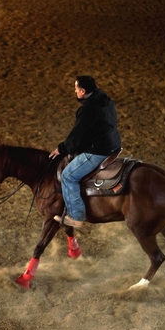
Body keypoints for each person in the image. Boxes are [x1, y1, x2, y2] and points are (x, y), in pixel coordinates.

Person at [49, 75, 121, 228]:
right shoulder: (106, 100)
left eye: (76, 89)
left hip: (99, 150)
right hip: (113, 145)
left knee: (68, 176)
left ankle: (75, 216)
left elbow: (77, 135)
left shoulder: (87, 109)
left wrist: (62, 148)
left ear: (82, 91)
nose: (74, 91)